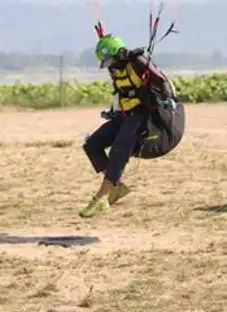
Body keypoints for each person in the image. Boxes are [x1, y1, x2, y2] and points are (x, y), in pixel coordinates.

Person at [79, 33, 185, 218]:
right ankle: (117, 187)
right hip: (125, 114)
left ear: (118, 54)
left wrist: (167, 99)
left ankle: (101, 197)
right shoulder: (115, 69)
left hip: (144, 115)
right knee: (92, 144)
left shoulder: (137, 61)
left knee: (118, 151)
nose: (109, 66)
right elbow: (119, 92)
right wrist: (113, 110)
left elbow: (161, 80)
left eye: (110, 60)